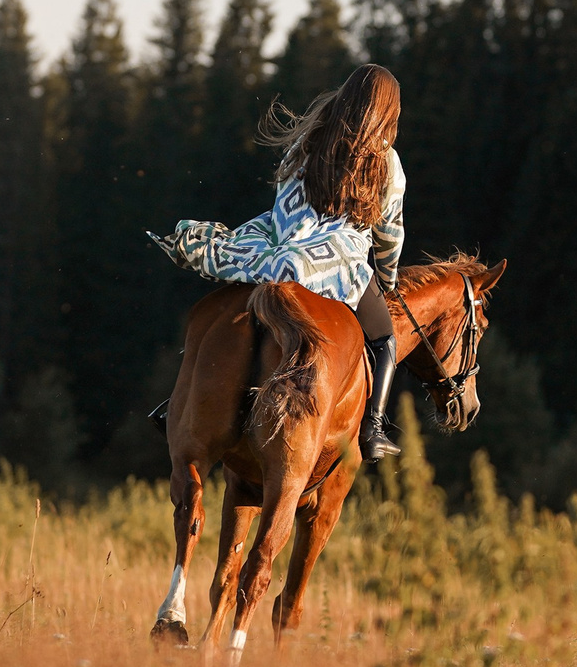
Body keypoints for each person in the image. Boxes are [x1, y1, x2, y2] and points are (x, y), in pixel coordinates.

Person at [148, 64, 410, 462]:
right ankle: (373, 429)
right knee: (385, 337)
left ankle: (176, 402)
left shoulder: (308, 141)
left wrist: (286, 244)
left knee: (226, 314)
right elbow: (389, 235)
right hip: (336, 263)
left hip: (280, 246)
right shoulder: (387, 164)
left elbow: (282, 203)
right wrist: (387, 280)